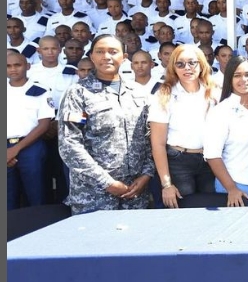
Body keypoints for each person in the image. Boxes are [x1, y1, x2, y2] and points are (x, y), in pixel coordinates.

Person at [57, 35, 154, 214]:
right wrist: (106, 182)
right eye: (100, 52)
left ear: (124, 57)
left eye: (113, 52)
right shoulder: (78, 93)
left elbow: (149, 138)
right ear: (92, 57)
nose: (106, 56)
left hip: (134, 192)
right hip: (93, 194)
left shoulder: (139, 92)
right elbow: (69, 144)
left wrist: (146, 175)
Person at [149, 44, 217, 209]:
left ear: (201, 64)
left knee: (212, 212)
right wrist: (166, 184)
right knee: (184, 213)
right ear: (173, 67)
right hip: (178, 163)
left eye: (192, 62)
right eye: (180, 64)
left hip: (210, 161)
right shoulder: (164, 94)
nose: (187, 68)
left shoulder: (214, 92)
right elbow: (158, 144)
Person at [204, 56, 248, 206]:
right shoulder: (221, 111)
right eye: (237, 75)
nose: (244, 80)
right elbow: (212, 155)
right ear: (229, 78)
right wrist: (231, 189)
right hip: (236, 182)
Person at [7, 50, 55, 210]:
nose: (13, 69)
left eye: (17, 65)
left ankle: (38, 224)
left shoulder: (40, 90)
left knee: (36, 194)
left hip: (30, 147)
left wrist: (15, 150)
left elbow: (44, 125)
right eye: (8, 66)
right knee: (7, 197)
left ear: (27, 66)